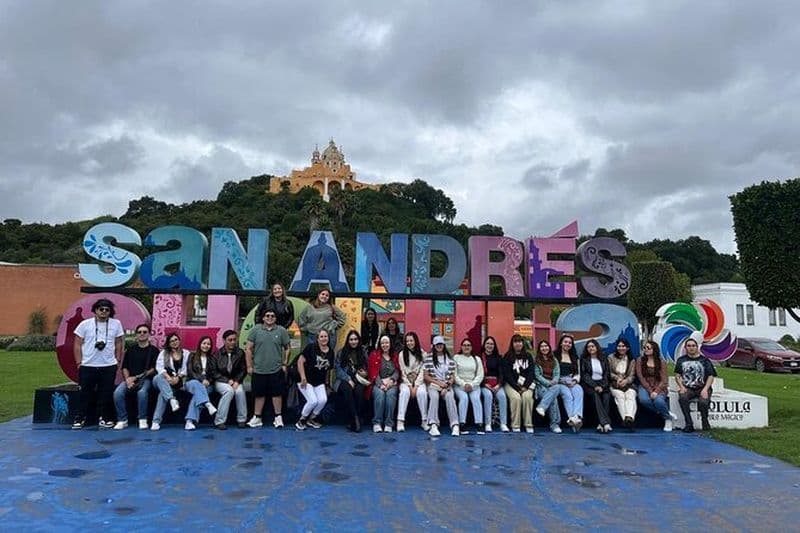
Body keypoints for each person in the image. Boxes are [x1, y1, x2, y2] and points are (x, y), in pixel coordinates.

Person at [72, 298, 125, 429]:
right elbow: (77, 343)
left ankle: (105, 417)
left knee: (106, 393)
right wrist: (79, 362)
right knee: (84, 393)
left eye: (107, 310)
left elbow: (119, 342)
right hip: (88, 364)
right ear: (95, 310)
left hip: (108, 365)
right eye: (101, 309)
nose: (104, 312)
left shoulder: (116, 323)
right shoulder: (85, 324)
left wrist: (118, 360)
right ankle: (79, 418)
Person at [151, 333, 216, 431]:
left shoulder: (186, 353)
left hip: (181, 382)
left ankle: (202, 408)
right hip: (166, 382)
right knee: (158, 377)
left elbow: (187, 369)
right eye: (172, 341)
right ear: (168, 343)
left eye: (176, 340)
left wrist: (178, 377)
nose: (174, 342)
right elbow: (159, 367)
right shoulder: (164, 353)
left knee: (164, 394)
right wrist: (168, 378)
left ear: (179, 341)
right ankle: (171, 401)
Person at [245, 309, 291, 428]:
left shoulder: (281, 331)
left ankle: (278, 417)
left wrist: (285, 363)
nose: (270, 317)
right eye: (267, 315)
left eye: (272, 315)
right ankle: (257, 417)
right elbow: (248, 349)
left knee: (277, 394)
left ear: (275, 318)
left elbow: (287, 348)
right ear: (263, 318)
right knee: (259, 394)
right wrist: (249, 366)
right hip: (259, 369)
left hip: (276, 369)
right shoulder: (255, 330)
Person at [113, 323, 158, 430]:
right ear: (136, 335)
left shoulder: (154, 350)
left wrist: (137, 377)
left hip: (146, 379)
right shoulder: (131, 350)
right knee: (118, 393)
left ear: (149, 334)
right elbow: (125, 367)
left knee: (142, 393)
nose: (142, 334)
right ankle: (122, 420)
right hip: (130, 379)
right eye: (139, 332)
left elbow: (154, 369)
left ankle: (142, 419)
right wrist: (128, 379)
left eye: (144, 332)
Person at [675, 335, 716, 433]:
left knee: (703, 402)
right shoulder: (681, 360)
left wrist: (705, 389)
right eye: (688, 346)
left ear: (697, 347)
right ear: (685, 348)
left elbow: (711, 376)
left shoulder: (705, 360)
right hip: (688, 387)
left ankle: (705, 422)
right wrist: (681, 386)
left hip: (702, 387)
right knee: (682, 398)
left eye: (693, 345)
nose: (691, 348)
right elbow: (677, 375)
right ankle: (689, 424)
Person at [295, 329, 335, 430]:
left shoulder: (331, 352)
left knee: (322, 400)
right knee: (313, 401)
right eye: (321, 337)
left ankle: (311, 418)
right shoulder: (311, 348)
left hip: (319, 381)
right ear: (317, 339)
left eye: (325, 336)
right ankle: (302, 420)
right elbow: (300, 361)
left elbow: (328, 370)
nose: (324, 338)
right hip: (306, 380)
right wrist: (303, 377)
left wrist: (327, 384)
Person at [636, 341, 677, 431]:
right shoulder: (640, 360)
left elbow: (664, 380)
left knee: (658, 401)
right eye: (644, 348)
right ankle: (667, 414)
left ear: (654, 349)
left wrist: (656, 391)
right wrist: (650, 391)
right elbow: (641, 377)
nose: (646, 350)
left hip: (659, 385)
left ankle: (667, 419)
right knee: (644, 400)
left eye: (648, 348)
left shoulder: (661, 362)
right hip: (645, 385)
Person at [211, 329, 248, 429]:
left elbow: (243, 369)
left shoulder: (240, 353)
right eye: (230, 340)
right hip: (221, 381)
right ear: (224, 340)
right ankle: (219, 420)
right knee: (229, 391)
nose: (232, 342)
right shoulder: (216, 354)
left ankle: (242, 419)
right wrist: (227, 381)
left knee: (240, 391)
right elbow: (214, 372)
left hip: (236, 380)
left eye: (234, 340)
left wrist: (237, 381)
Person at [423, 336, 459, 436]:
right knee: (434, 397)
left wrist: (446, 386)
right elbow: (426, 376)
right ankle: (433, 424)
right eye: (437, 344)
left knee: (450, 397)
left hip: (446, 386)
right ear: (434, 346)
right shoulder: (429, 358)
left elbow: (452, 376)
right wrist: (439, 384)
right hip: (434, 385)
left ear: (444, 345)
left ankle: (455, 425)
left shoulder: (450, 359)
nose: (439, 346)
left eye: (441, 344)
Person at [334, 329, 369, 432]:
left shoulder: (363, 351)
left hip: (359, 379)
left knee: (359, 391)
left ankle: (353, 420)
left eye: (355, 339)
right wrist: (348, 379)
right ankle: (356, 419)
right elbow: (338, 369)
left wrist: (365, 373)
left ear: (358, 340)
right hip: (343, 380)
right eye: (351, 339)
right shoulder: (341, 352)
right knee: (347, 389)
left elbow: (368, 367)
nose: (353, 341)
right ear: (348, 341)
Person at [501, 334, 536, 433]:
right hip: (511, 385)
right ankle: (515, 425)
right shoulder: (507, 356)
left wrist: (525, 387)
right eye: (515, 342)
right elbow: (507, 375)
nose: (518, 344)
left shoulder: (528, 356)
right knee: (516, 398)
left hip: (526, 385)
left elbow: (531, 373)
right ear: (512, 344)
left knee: (527, 397)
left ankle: (528, 424)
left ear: (523, 343)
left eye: (520, 341)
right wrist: (517, 388)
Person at [184, 336, 220, 430]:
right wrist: (201, 379)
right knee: (197, 385)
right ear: (200, 344)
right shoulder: (192, 355)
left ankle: (189, 421)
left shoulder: (212, 358)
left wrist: (209, 381)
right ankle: (208, 404)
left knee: (197, 396)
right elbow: (190, 371)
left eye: (208, 344)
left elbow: (213, 374)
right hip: (191, 382)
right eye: (204, 343)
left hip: (207, 385)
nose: (206, 346)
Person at [397, 332, 429, 432]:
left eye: (411, 340)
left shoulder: (423, 354)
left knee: (422, 393)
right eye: (407, 341)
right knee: (404, 392)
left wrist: (416, 385)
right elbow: (402, 371)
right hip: (405, 381)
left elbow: (423, 371)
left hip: (419, 381)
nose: (409, 343)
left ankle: (424, 420)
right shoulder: (402, 354)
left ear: (415, 341)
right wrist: (410, 385)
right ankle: (400, 420)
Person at [368, 334, 400, 432]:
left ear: (390, 344)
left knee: (391, 395)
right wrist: (380, 384)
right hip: (378, 382)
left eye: (386, 343)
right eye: (382, 343)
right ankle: (377, 422)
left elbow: (398, 370)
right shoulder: (374, 355)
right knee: (380, 394)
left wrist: (391, 381)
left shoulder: (395, 355)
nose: (384, 345)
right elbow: (372, 371)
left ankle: (388, 423)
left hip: (392, 383)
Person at [580, 339, 613, 433]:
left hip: (602, 384)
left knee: (606, 396)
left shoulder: (603, 358)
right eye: (588, 347)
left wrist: (602, 386)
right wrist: (595, 386)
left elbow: (607, 374)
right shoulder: (584, 359)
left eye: (592, 346)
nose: (590, 348)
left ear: (597, 347)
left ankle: (600, 424)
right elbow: (585, 375)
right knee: (595, 396)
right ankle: (605, 423)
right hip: (589, 385)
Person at [454, 338, 484, 435]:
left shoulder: (477, 359)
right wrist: (463, 384)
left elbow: (480, 375)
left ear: (471, 347)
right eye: (464, 345)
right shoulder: (456, 358)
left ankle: (479, 423)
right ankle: (462, 423)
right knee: (464, 398)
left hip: (473, 385)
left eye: (468, 345)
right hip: (459, 385)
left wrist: (471, 384)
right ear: (461, 347)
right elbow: (454, 375)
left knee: (475, 398)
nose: (466, 347)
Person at [554, 334, 584, 431]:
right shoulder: (555, 355)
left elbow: (578, 373)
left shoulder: (575, 357)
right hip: (560, 382)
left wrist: (574, 381)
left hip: (572, 380)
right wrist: (561, 381)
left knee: (579, 391)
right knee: (568, 396)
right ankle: (574, 421)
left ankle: (575, 418)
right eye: (565, 342)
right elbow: (553, 372)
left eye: (570, 343)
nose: (567, 344)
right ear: (561, 343)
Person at [533, 340, 563, 434]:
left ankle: (542, 407)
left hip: (553, 385)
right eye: (542, 346)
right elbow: (537, 376)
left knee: (557, 387)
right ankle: (554, 424)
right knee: (553, 399)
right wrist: (548, 383)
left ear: (549, 348)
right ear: (539, 349)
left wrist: (554, 381)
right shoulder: (536, 360)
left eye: (546, 346)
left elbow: (557, 374)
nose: (544, 348)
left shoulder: (554, 360)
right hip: (541, 386)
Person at [480, 336, 508, 432]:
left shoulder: (499, 357)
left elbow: (502, 373)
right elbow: (478, 373)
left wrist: (499, 385)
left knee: (502, 396)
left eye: (491, 344)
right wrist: (484, 384)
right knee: (488, 396)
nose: (489, 346)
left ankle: (503, 423)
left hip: (497, 384)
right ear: (484, 345)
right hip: (484, 384)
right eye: (487, 343)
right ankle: (488, 423)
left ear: (494, 345)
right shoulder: (479, 357)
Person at [608, 337, 637, 430]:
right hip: (614, 384)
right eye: (619, 346)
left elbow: (632, 375)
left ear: (627, 348)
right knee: (620, 396)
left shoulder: (631, 360)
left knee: (631, 395)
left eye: (623, 346)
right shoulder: (611, 357)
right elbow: (608, 372)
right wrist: (617, 378)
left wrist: (626, 381)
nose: (621, 348)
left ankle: (628, 418)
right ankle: (627, 420)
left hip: (628, 384)